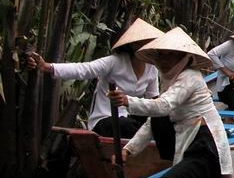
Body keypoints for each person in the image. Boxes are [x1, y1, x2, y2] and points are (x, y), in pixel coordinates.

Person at [108, 27, 232, 178]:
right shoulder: (169, 80)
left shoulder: (190, 77)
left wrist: (128, 101)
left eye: (171, 55)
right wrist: (128, 150)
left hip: (206, 152)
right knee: (158, 121)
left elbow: (163, 106)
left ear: (184, 57)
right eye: (161, 56)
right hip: (189, 147)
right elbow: (152, 122)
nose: (164, 61)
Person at [27, 18, 163, 138]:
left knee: (159, 124)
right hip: (106, 120)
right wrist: (47, 67)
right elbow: (84, 69)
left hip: (131, 120)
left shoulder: (152, 68)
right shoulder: (114, 62)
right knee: (127, 126)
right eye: (144, 43)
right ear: (133, 45)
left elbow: (153, 101)